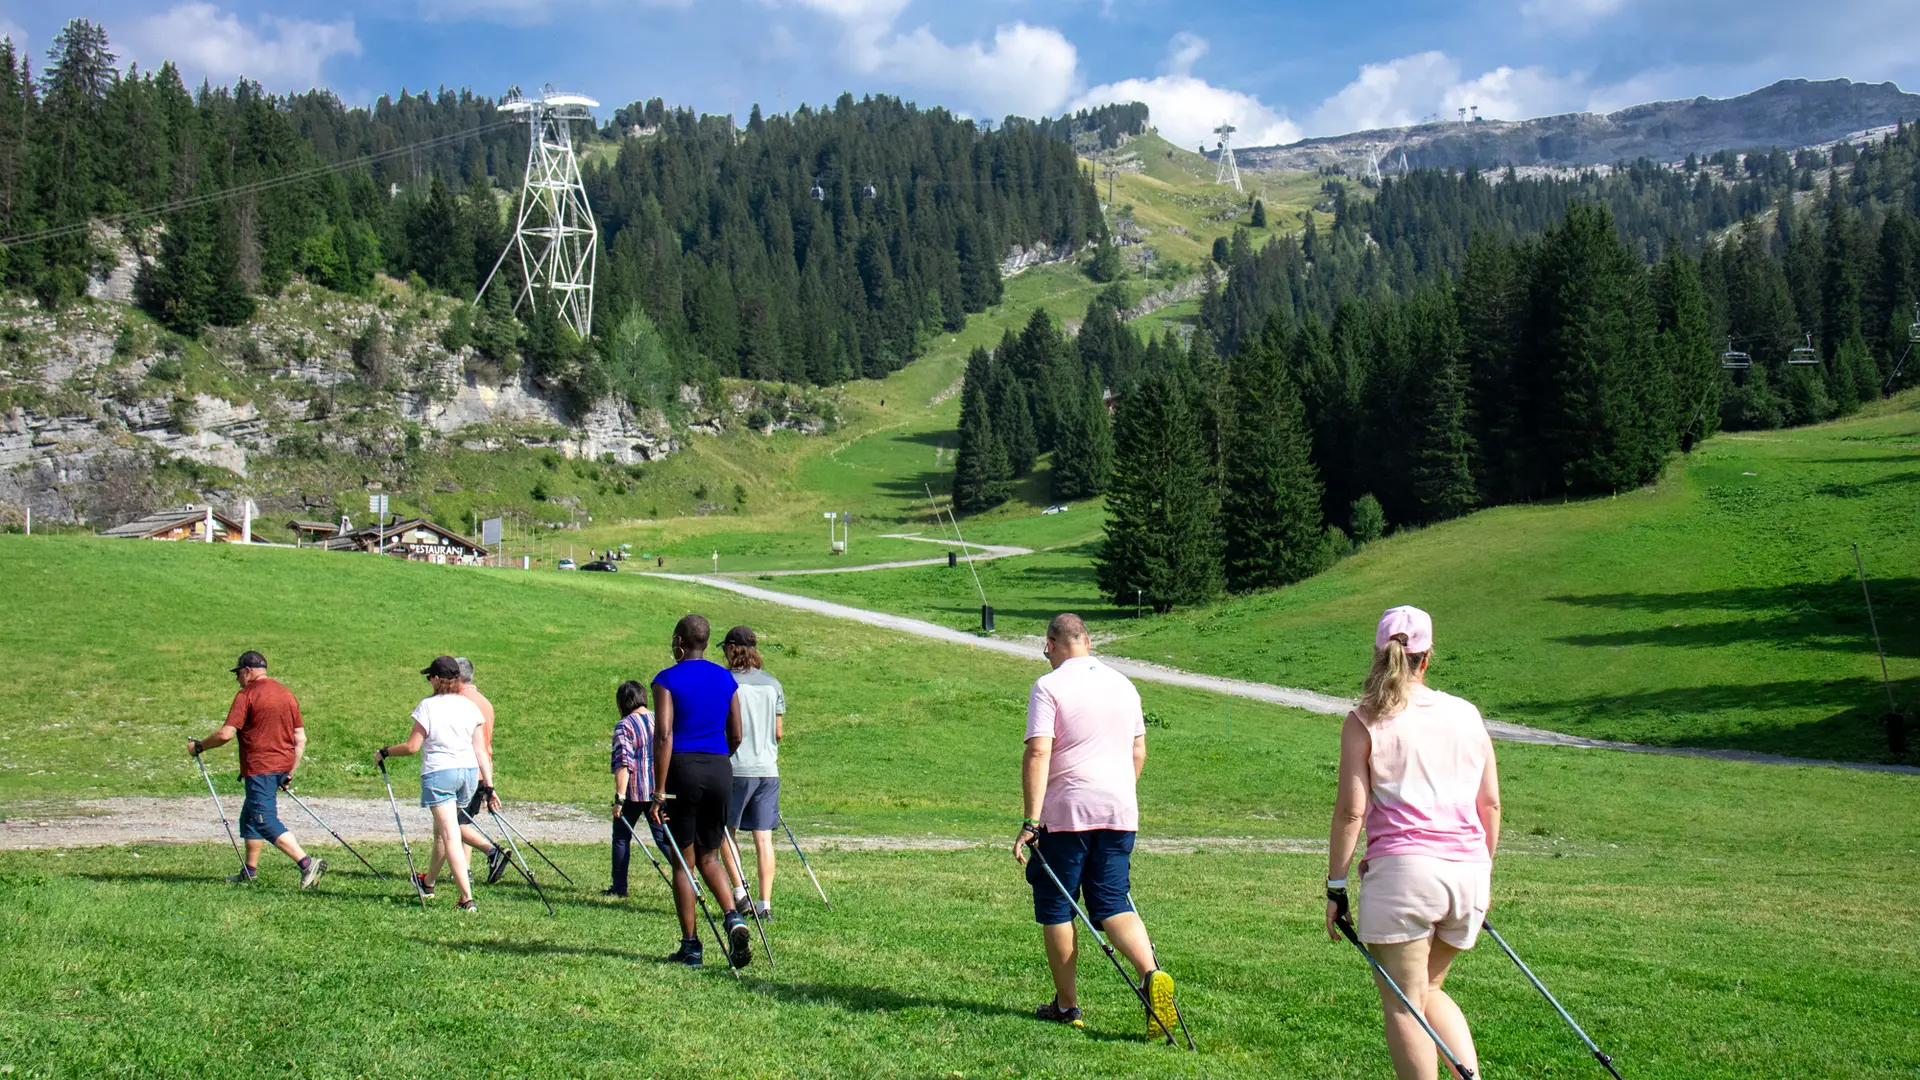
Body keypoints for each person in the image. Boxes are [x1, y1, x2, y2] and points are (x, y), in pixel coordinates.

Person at [1325, 606, 1502, 1080]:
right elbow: (1491, 806)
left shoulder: (1364, 719)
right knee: (1427, 990)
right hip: (1468, 871)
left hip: (1406, 874)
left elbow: (1351, 812)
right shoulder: (1468, 715)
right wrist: (1481, 874)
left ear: (1380, 656)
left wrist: (1336, 887)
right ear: (1427, 658)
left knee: (1404, 1004)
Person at [1012, 614, 1176, 1035]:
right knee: (1113, 900)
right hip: (1119, 810)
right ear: (1088, 642)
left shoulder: (1048, 686)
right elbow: (1139, 750)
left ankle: (1068, 1006)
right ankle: (1151, 973)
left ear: (1050, 644)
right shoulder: (1124, 684)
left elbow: (1038, 754)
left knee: (1057, 904)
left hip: (1066, 813)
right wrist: (1118, 790)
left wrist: (1031, 820)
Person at [650, 614, 751, 968]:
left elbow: (663, 734)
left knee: (683, 861)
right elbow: (736, 732)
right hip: (720, 767)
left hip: (683, 769)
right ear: (706, 642)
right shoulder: (725, 678)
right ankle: (733, 916)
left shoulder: (666, 679)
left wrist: (659, 790)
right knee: (710, 854)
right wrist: (720, 758)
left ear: (679, 640)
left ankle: (691, 945)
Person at [186, 651, 326, 889]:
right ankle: (249, 871)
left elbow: (225, 734)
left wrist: (199, 746)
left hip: (260, 767)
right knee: (250, 816)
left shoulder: (247, 695)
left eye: (238, 673)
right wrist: (290, 771)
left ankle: (306, 863)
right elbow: (300, 738)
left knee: (263, 820)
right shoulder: (286, 694)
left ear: (248, 671)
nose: (237, 679)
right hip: (280, 766)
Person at [377, 655, 497, 913]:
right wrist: (489, 786)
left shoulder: (428, 706)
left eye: (428, 677)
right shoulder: (470, 706)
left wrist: (385, 751)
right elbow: (480, 750)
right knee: (447, 829)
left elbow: (412, 747)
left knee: (450, 834)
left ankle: (467, 899)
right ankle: (428, 883)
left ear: (435, 679)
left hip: (440, 773)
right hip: (467, 774)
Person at [719, 625, 784, 920]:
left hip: (736, 767)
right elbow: (778, 732)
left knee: (724, 831)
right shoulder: (774, 684)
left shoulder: (726, 683)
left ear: (733, 649)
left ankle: (740, 890)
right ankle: (765, 904)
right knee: (763, 838)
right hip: (768, 769)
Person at [453, 656, 510, 885]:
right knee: (464, 821)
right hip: (482, 769)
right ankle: (463, 869)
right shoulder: (484, 702)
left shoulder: (458, 701)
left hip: (464, 769)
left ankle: (491, 851)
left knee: (452, 824)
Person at [607, 679, 662, 897]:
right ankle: (687, 875)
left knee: (621, 836)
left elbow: (624, 763)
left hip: (634, 791)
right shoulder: (659, 719)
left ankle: (619, 888)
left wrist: (619, 798)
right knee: (663, 838)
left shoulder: (625, 725)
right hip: (658, 790)